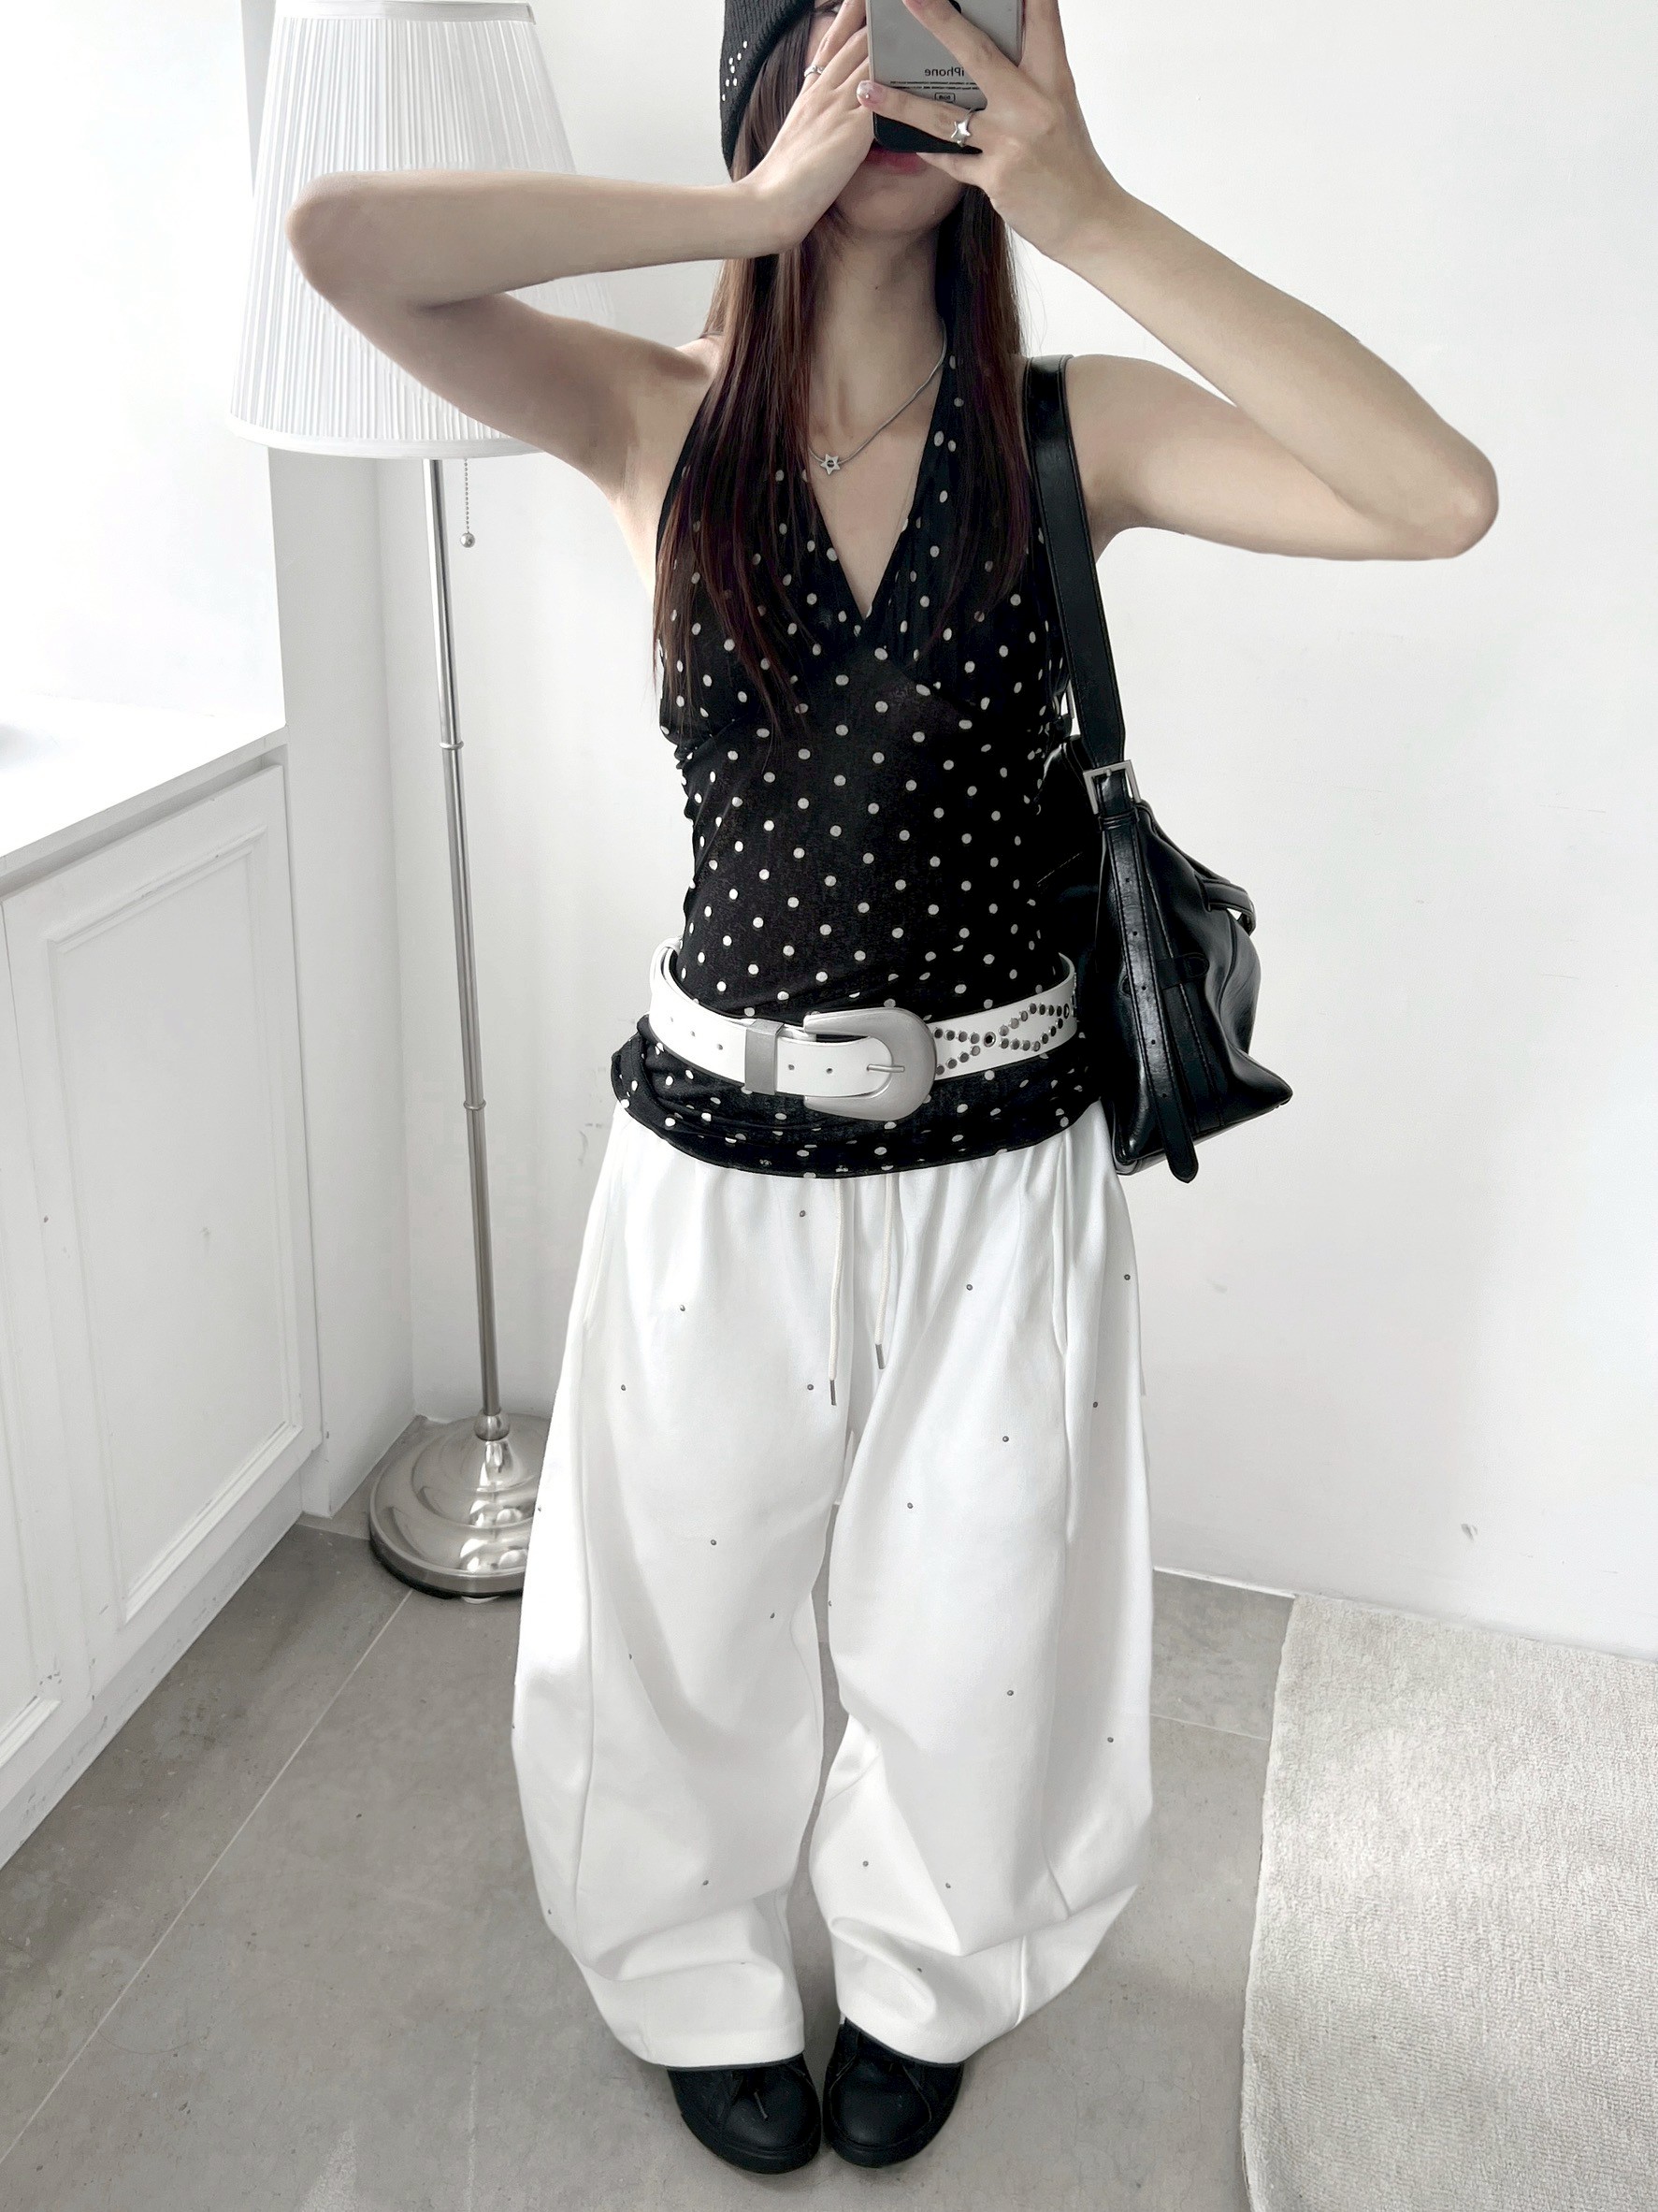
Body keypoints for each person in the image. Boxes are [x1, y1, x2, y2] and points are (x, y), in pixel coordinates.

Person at [285, 0, 1496, 2176]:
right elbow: (344, 243)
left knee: (980, 1624)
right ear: (769, 69)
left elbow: (1436, 500)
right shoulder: (648, 420)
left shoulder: (1063, 434)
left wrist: (1086, 205)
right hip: (711, 1153)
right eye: (858, 34)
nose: (909, 90)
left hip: (996, 1163)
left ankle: (930, 1972)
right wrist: (741, 210)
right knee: (680, 1615)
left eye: (958, 36)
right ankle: (689, 1973)